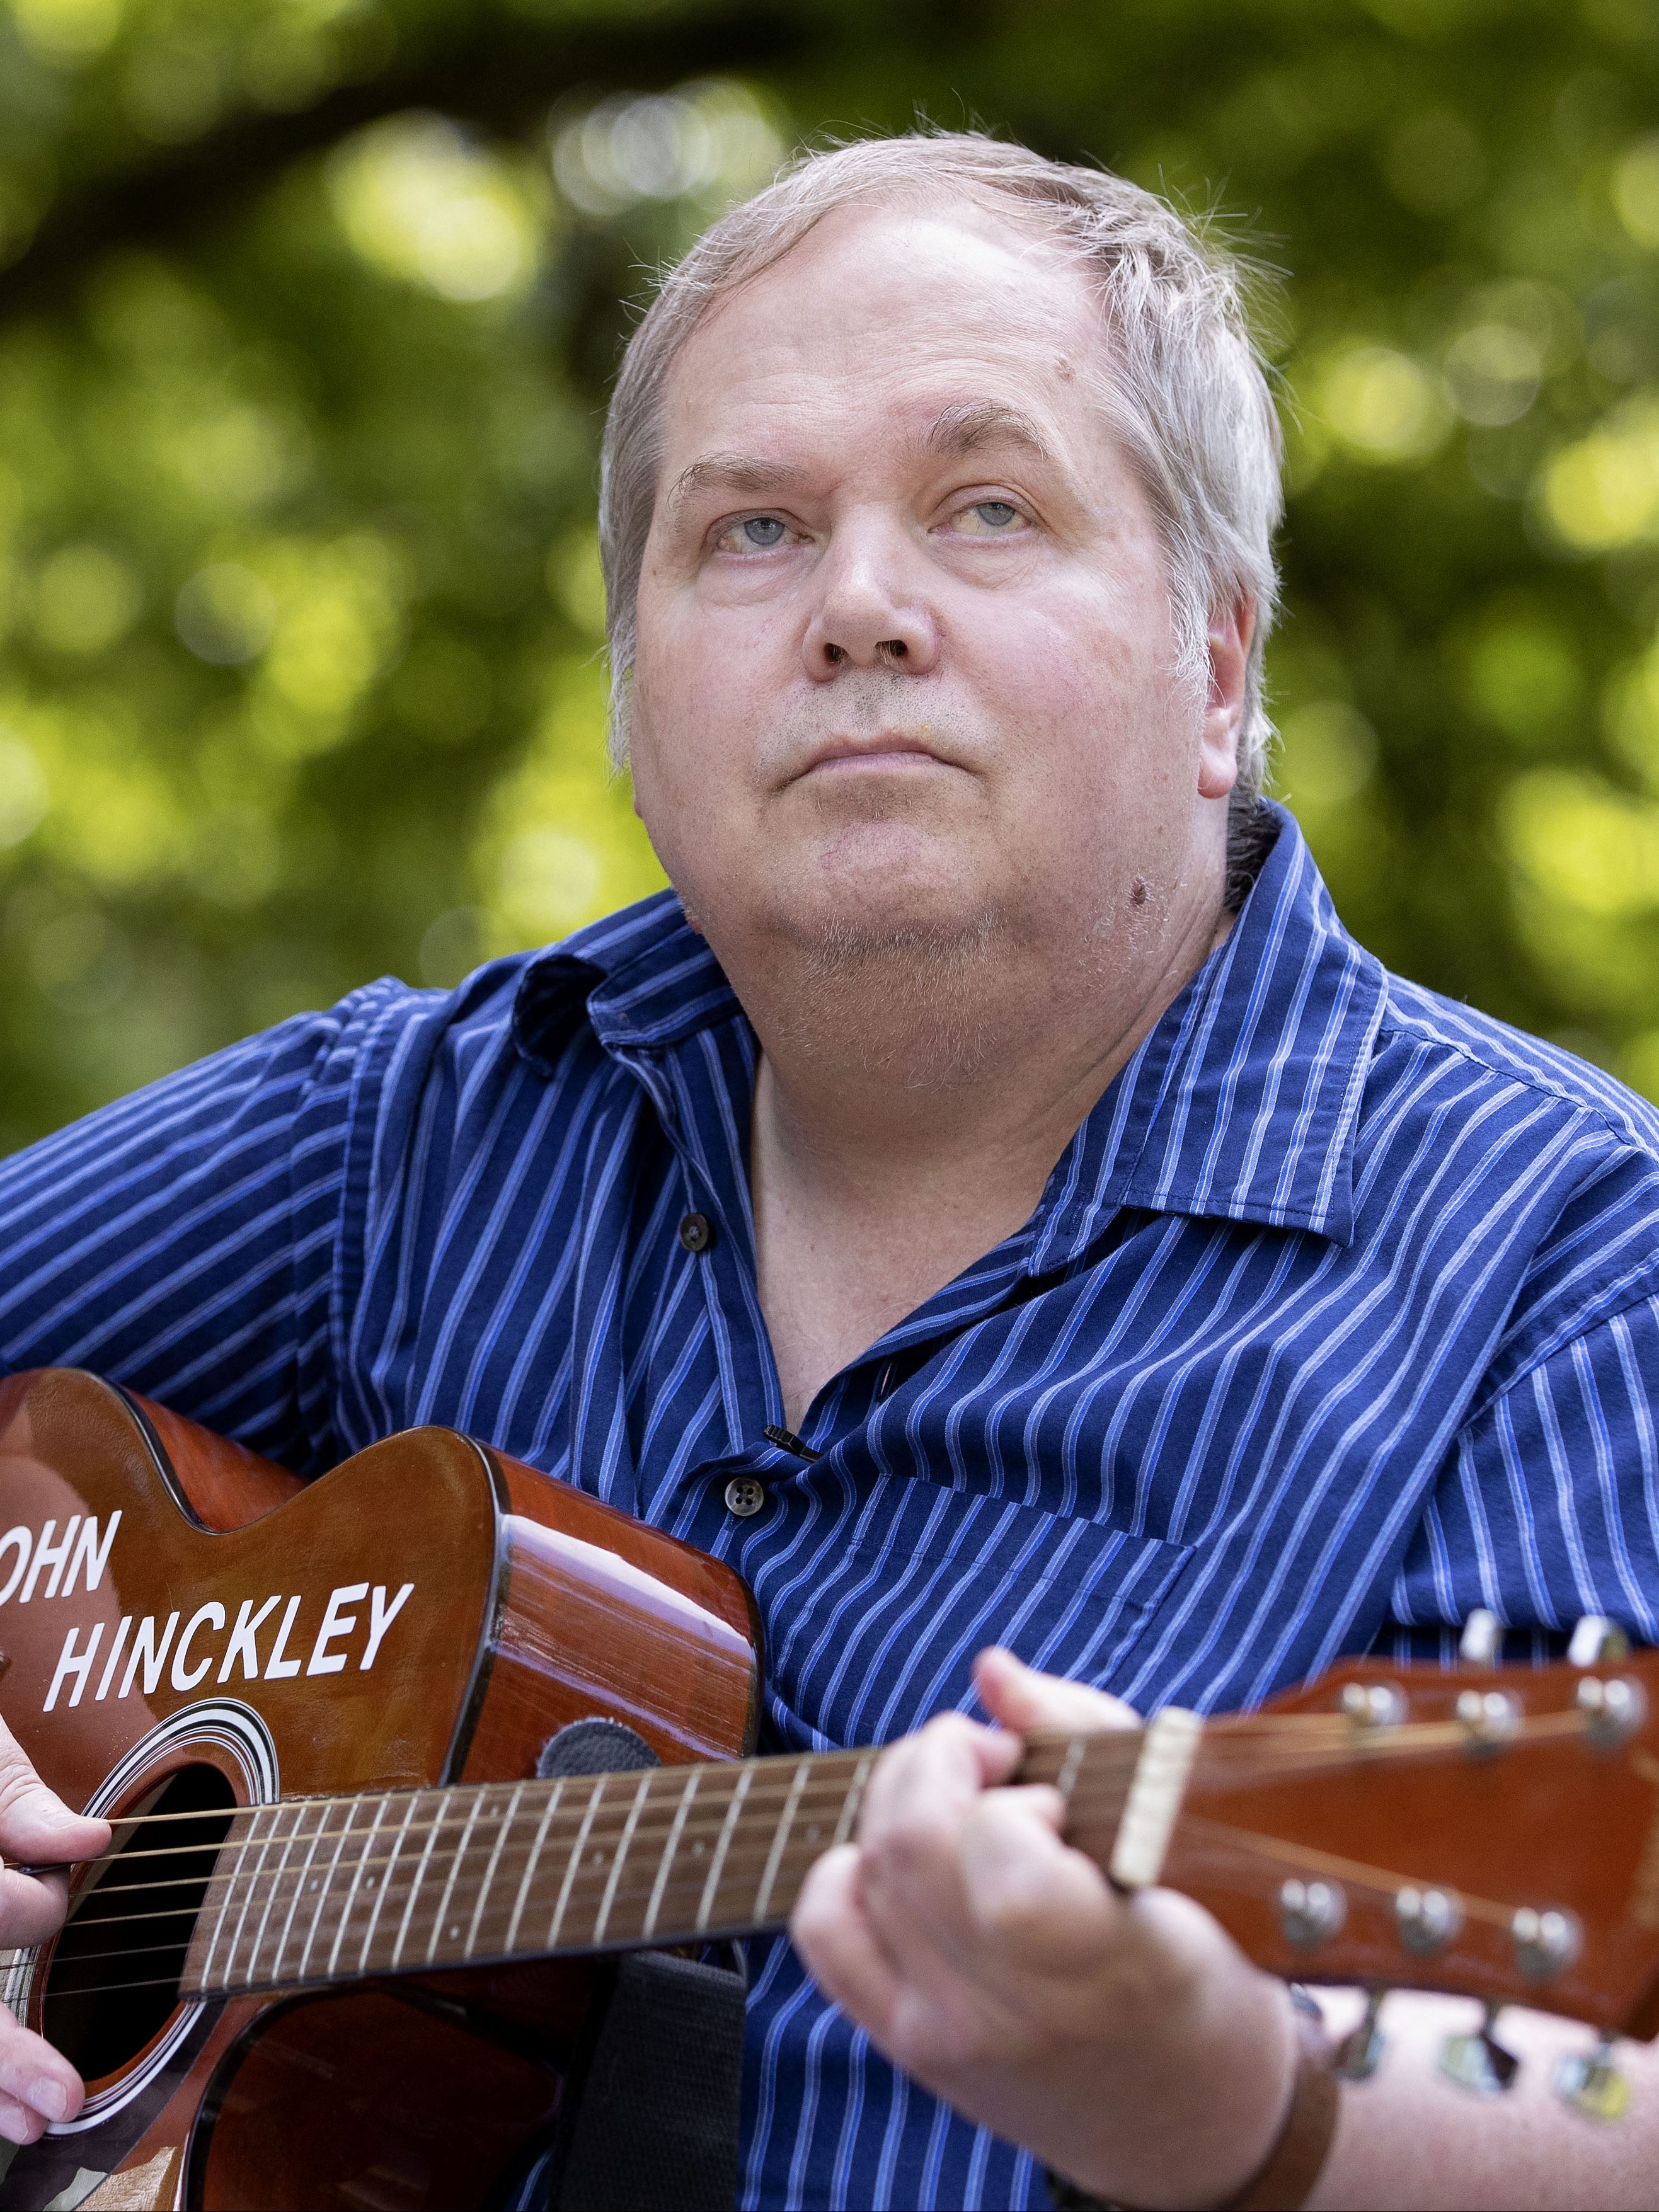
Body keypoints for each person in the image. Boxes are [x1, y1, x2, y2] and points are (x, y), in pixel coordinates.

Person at [0, 129, 1657, 2209]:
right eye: (754, 531)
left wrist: (1242, 2105)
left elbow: (1616, 2088)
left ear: (1216, 665)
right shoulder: (393, 1135)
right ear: (632, 703)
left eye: (986, 509)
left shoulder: (1569, 1258)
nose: (861, 607)